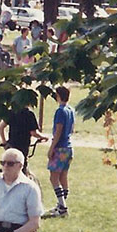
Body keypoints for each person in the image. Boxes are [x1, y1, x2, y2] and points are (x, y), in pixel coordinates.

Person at [0, 96, 48, 174]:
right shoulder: (29, 114)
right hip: (23, 145)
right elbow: (33, 133)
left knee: (10, 165)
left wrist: (4, 142)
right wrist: (43, 137)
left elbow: (1, 127)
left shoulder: (12, 112)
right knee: (21, 167)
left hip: (12, 144)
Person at [46, 86, 74, 217]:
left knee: (54, 177)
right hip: (68, 147)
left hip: (60, 147)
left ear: (58, 96)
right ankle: (61, 204)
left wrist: (52, 147)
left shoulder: (60, 111)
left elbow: (58, 130)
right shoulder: (70, 110)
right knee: (63, 176)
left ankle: (62, 206)